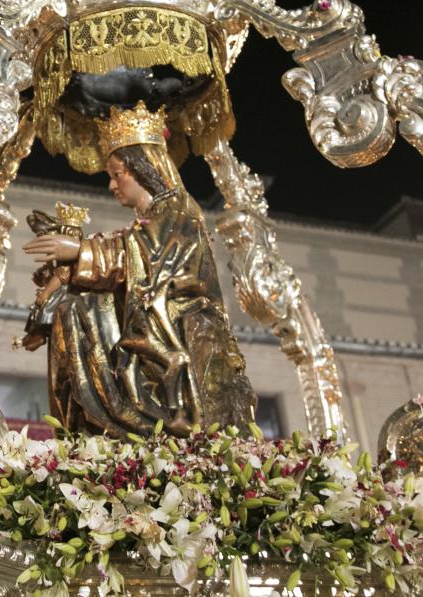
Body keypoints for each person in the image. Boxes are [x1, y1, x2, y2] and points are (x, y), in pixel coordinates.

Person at [22, 102, 255, 437]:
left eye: (118, 175)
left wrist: (81, 250)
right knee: (74, 310)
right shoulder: (146, 225)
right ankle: (87, 431)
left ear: (144, 168)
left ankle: (141, 418)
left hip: (175, 329)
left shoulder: (179, 211)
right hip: (151, 322)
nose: (112, 186)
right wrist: (46, 316)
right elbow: (129, 255)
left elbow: (152, 259)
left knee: (86, 311)